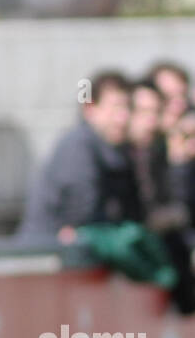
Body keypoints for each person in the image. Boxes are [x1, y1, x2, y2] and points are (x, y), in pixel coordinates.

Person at [19, 69, 143, 242]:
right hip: (51, 251)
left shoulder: (115, 148)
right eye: (116, 107)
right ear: (90, 108)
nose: (123, 117)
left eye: (128, 107)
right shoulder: (79, 144)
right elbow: (81, 207)